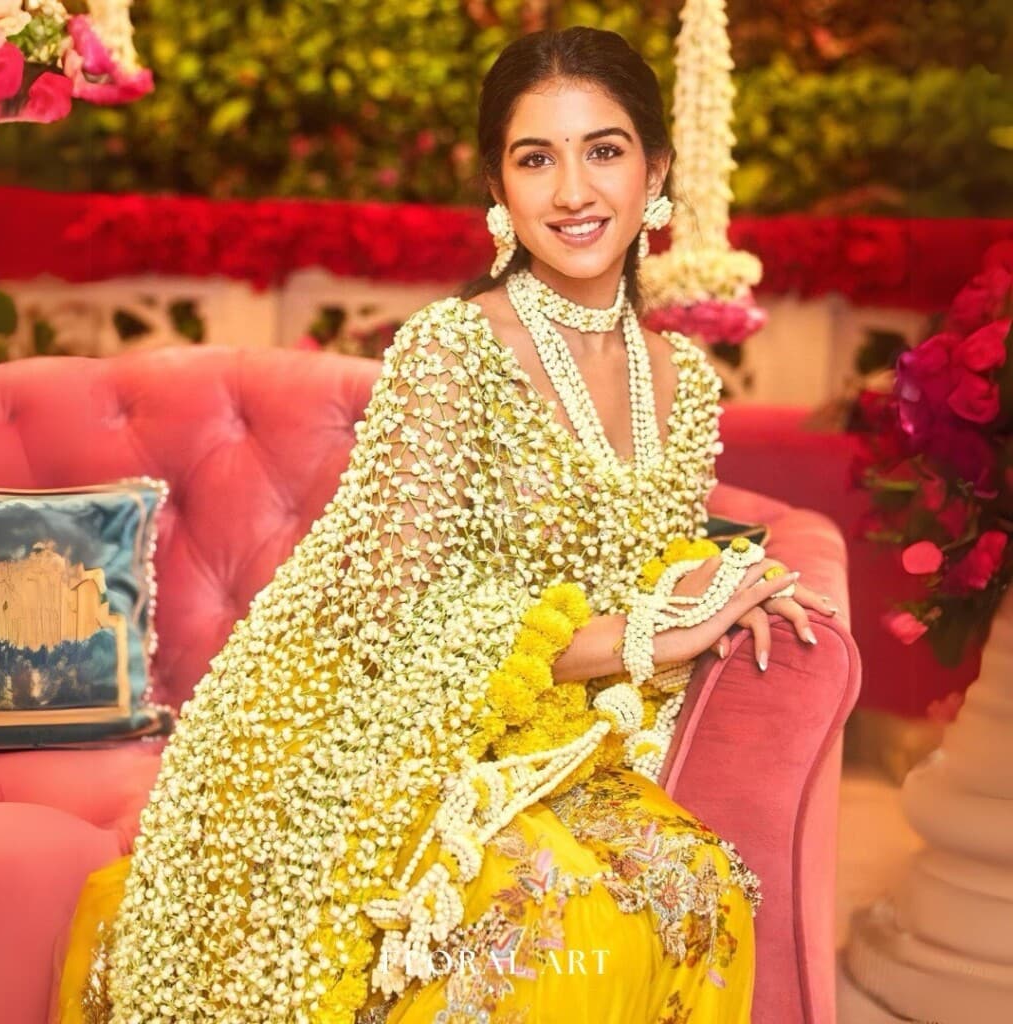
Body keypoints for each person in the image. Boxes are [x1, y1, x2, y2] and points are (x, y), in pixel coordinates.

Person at [53, 26, 837, 1024]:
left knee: (694, 882)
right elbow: (389, 615)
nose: (572, 191)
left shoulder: (680, 381)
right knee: (547, 930)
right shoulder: (451, 349)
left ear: (657, 170)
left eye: (602, 150)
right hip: (360, 722)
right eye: (534, 158)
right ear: (499, 191)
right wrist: (638, 636)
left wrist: (727, 586)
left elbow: (647, 558)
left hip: (533, 726)